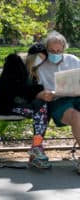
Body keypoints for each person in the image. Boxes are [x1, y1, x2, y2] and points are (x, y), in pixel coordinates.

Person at [0, 44, 51, 168]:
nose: (40, 61)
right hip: (7, 105)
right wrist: (36, 93)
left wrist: (41, 93)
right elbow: (13, 88)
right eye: (39, 57)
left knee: (43, 109)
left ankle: (36, 148)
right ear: (31, 55)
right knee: (42, 111)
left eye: (43, 60)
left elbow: (32, 90)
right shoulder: (14, 61)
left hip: (24, 106)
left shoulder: (34, 71)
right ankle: (36, 148)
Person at [35, 31, 80, 170]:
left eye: (59, 51)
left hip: (77, 96)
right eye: (52, 51)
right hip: (57, 101)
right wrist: (41, 94)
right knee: (76, 116)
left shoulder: (73, 60)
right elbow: (29, 89)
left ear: (64, 49)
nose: (55, 53)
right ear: (46, 50)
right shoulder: (40, 64)